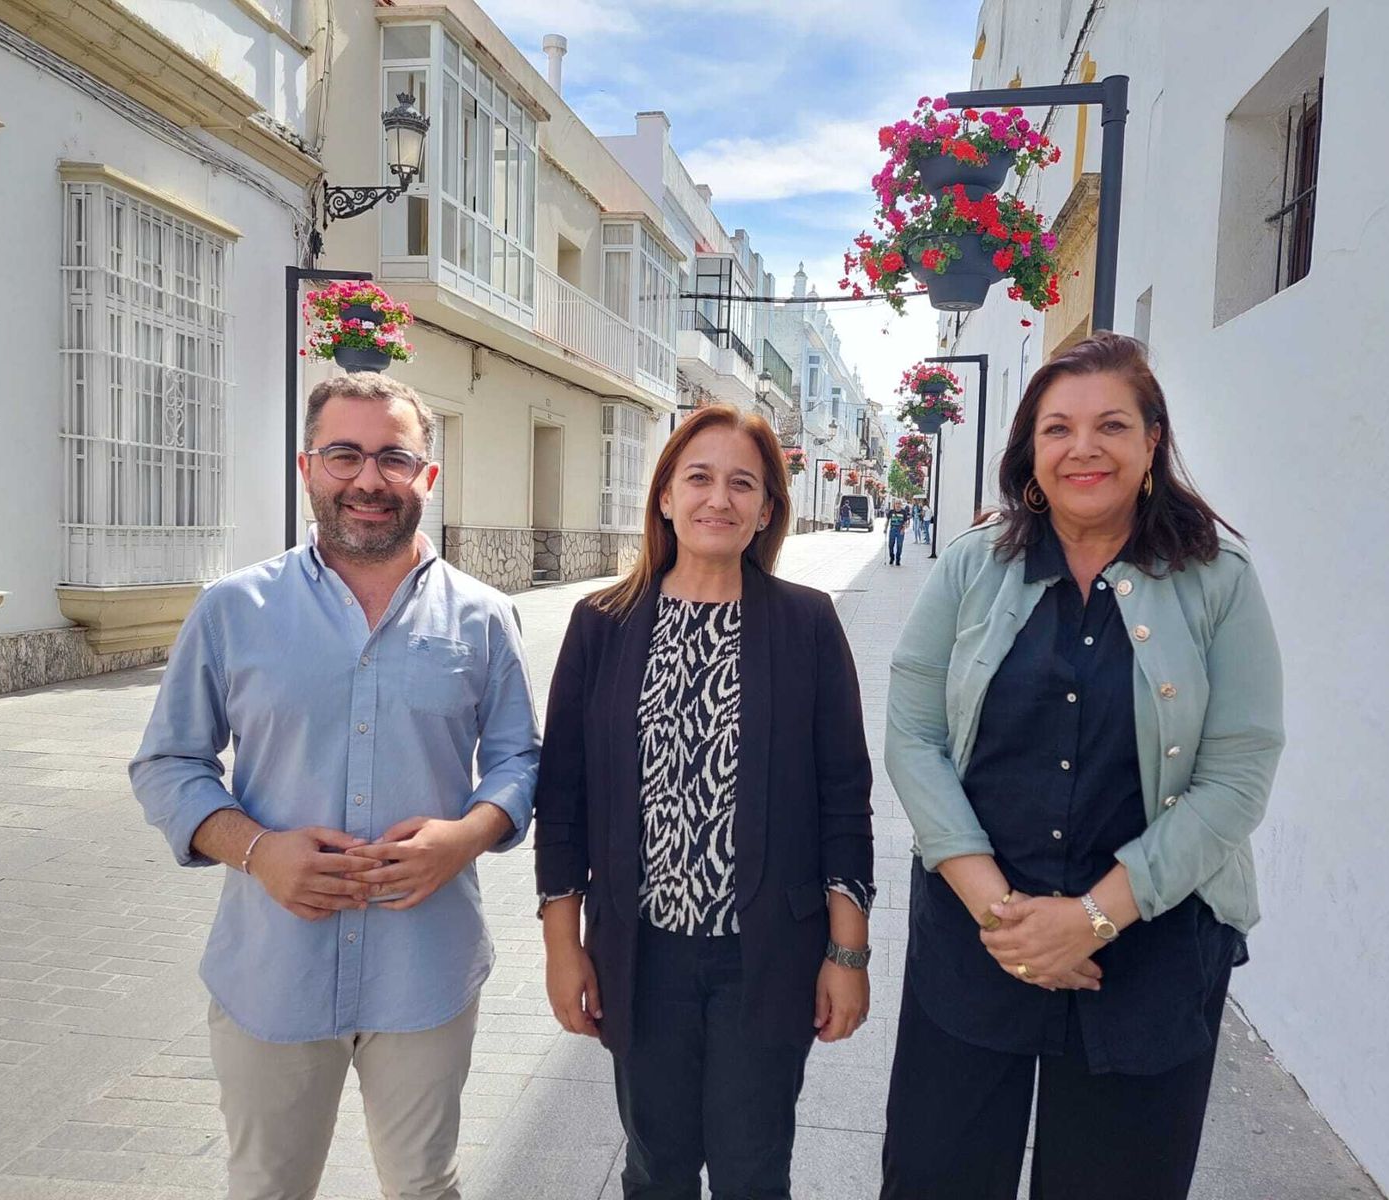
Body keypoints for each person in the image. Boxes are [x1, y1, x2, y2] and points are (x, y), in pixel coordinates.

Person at [879, 333, 1284, 1200]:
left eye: (1111, 425)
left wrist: (1092, 920)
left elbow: (1238, 773)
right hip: (979, 931)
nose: (1083, 448)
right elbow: (913, 736)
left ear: (1151, 444)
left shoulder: (1218, 578)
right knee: (937, 1175)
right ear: (1031, 451)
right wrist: (1005, 917)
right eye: (1057, 428)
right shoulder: (971, 566)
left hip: (1150, 944)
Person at [130, 373, 541, 1200]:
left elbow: (518, 761)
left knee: (425, 1184)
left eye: (394, 458)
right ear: (307, 467)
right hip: (272, 971)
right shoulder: (232, 608)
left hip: (426, 966)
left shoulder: (484, 617)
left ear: (426, 477)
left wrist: (463, 837)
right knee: (269, 1187)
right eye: (344, 454)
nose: (367, 480)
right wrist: (254, 850)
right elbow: (168, 763)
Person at [534, 403, 875, 1200]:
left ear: (765, 511)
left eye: (741, 484)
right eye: (699, 478)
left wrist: (847, 952)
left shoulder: (807, 623)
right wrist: (562, 945)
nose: (717, 498)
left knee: (755, 1171)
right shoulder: (602, 624)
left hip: (768, 955)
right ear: (664, 497)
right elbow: (565, 796)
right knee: (656, 1168)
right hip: (641, 953)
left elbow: (843, 797)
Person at [886, 499, 909, 565]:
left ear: (901, 505)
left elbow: (905, 522)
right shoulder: (891, 511)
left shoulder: (903, 512)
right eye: (896, 503)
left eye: (899, 503)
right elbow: (887, 520)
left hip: (900, 530)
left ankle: (898, 559)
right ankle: (892, 557)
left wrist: (903, 529)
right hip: (892, 530)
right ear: (894, 504)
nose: (898, 505)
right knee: (890, 545)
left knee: (899, 545)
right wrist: (885, 528)